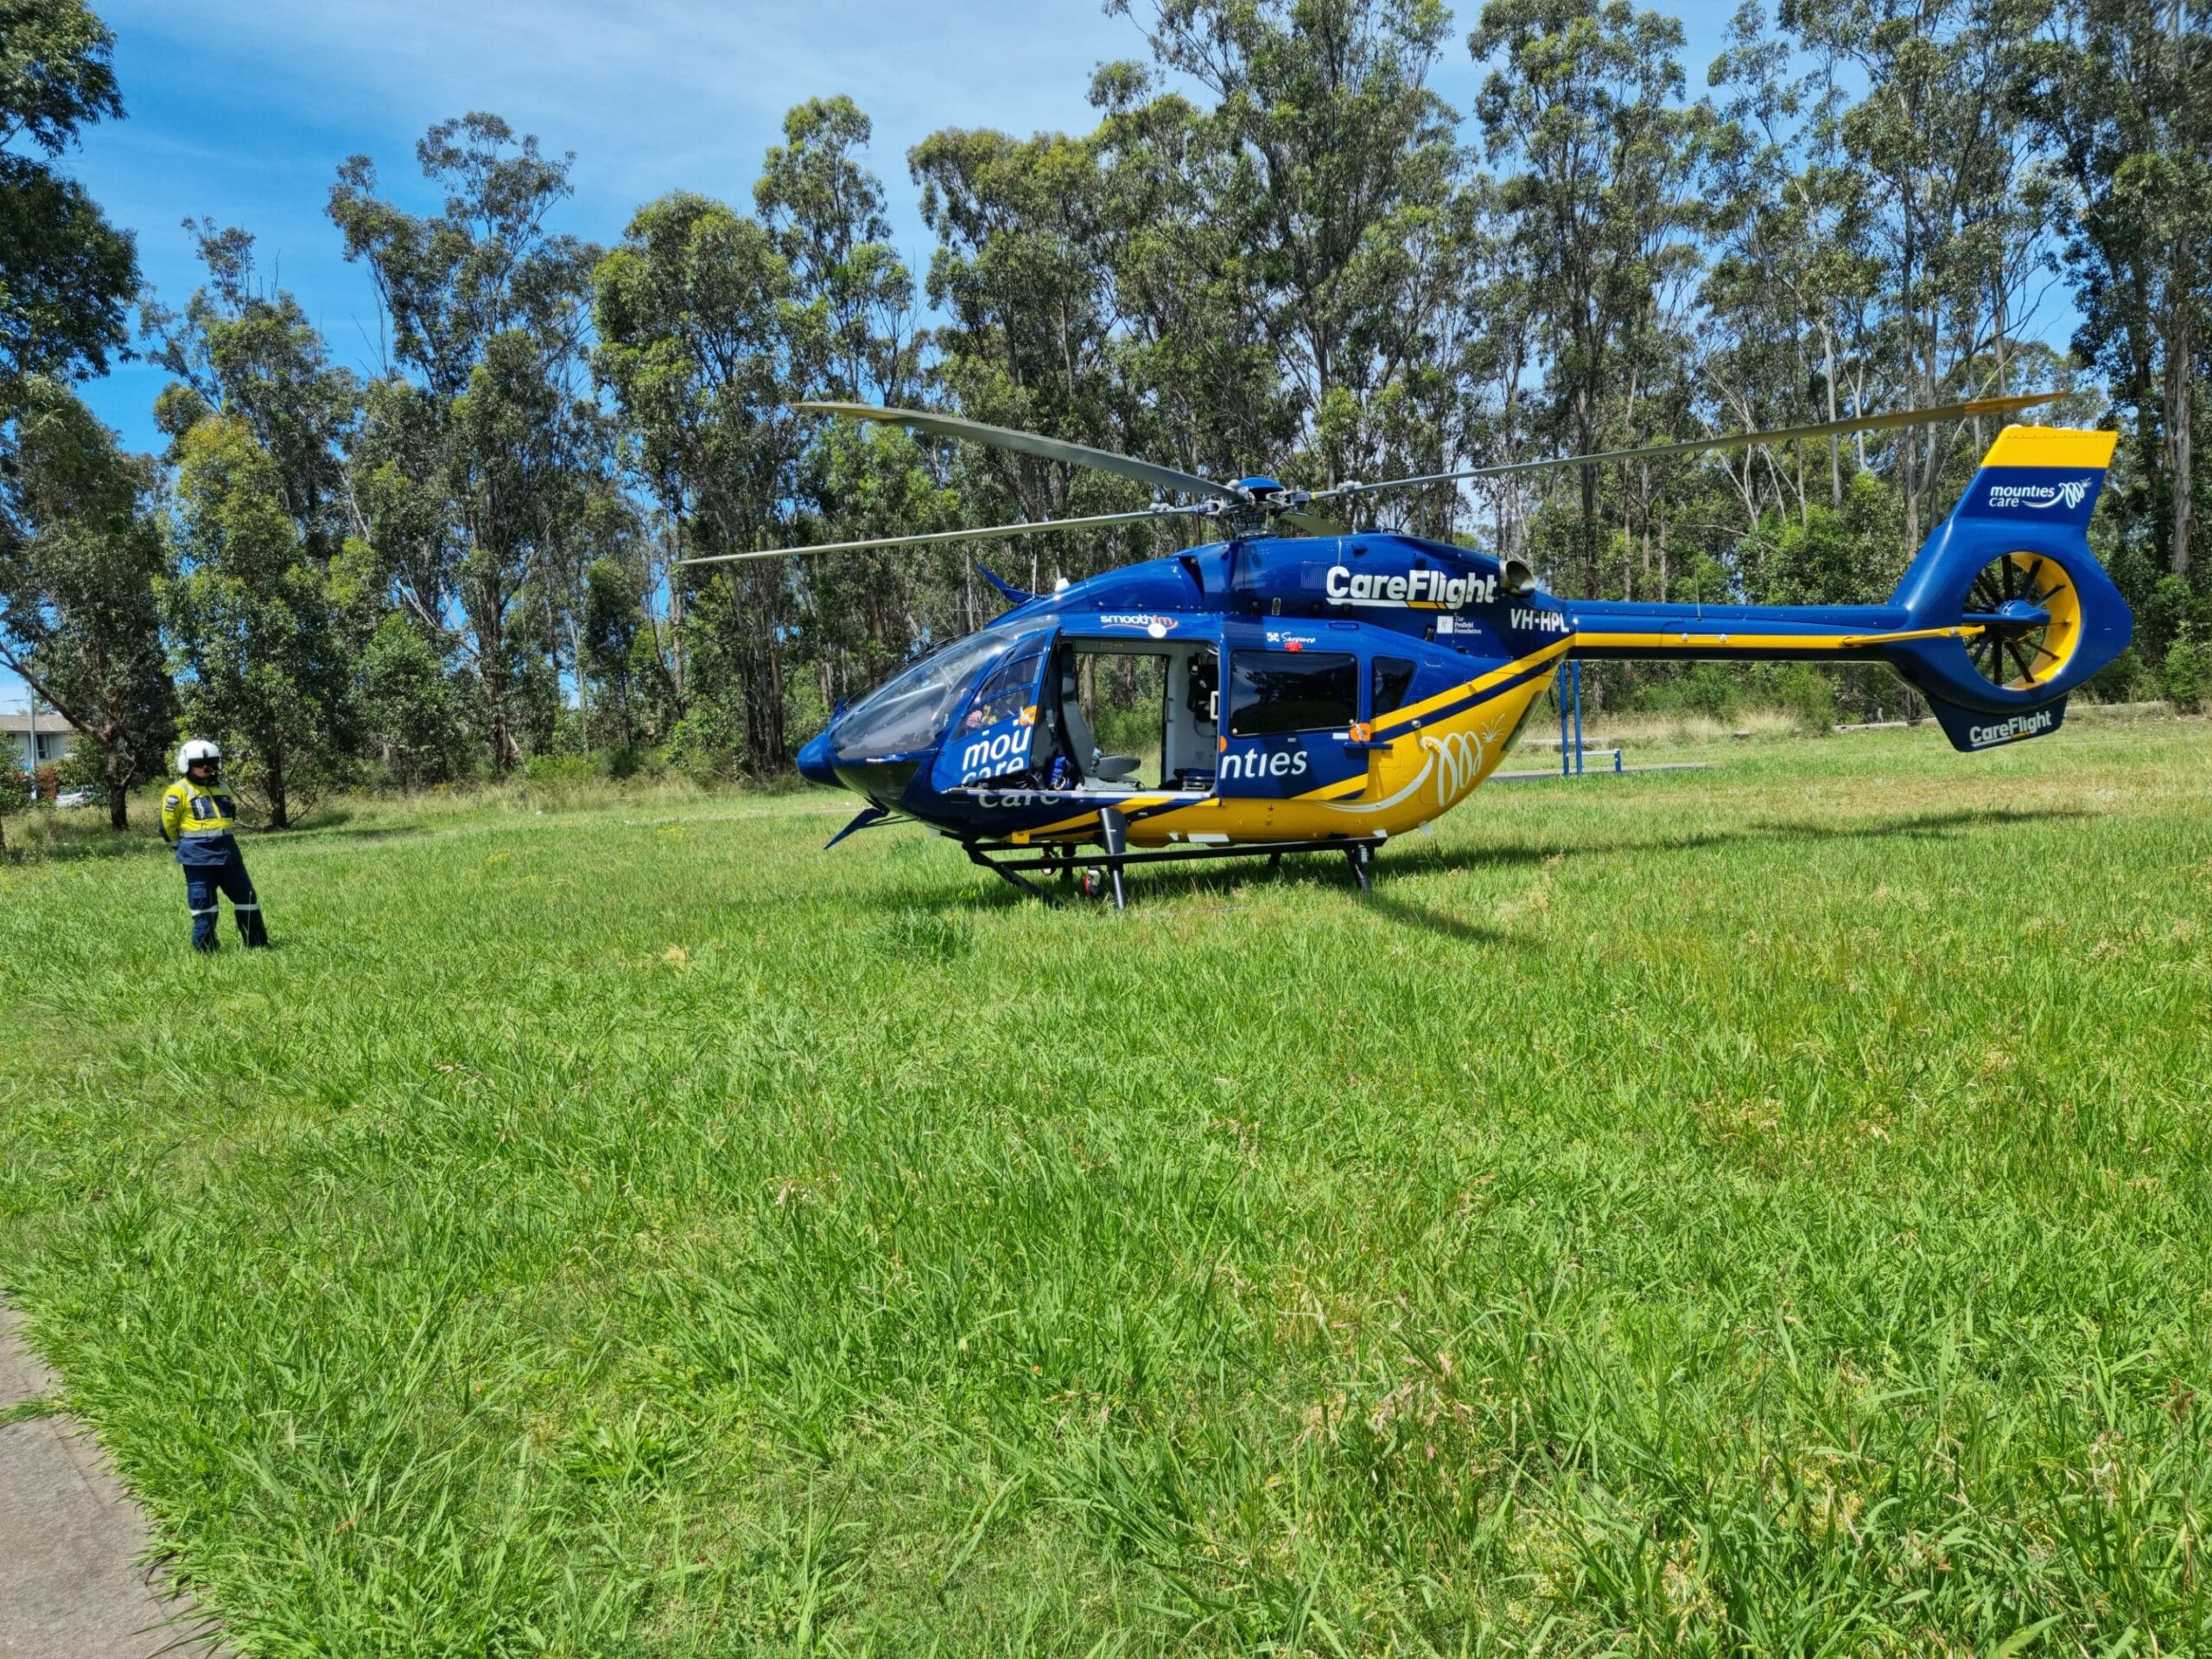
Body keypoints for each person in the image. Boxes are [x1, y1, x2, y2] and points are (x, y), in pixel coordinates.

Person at [159, 740, 269, 952]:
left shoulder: (223, 787)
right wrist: (180, 848)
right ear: (186, 764)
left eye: (211, 762)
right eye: (200, 763)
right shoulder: (177, 791)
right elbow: (166, 825)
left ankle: (257, 946)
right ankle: (206, 952)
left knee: (248, 901)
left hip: (229, 856)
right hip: (198, 859)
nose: (206, 767)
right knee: (204, 908)